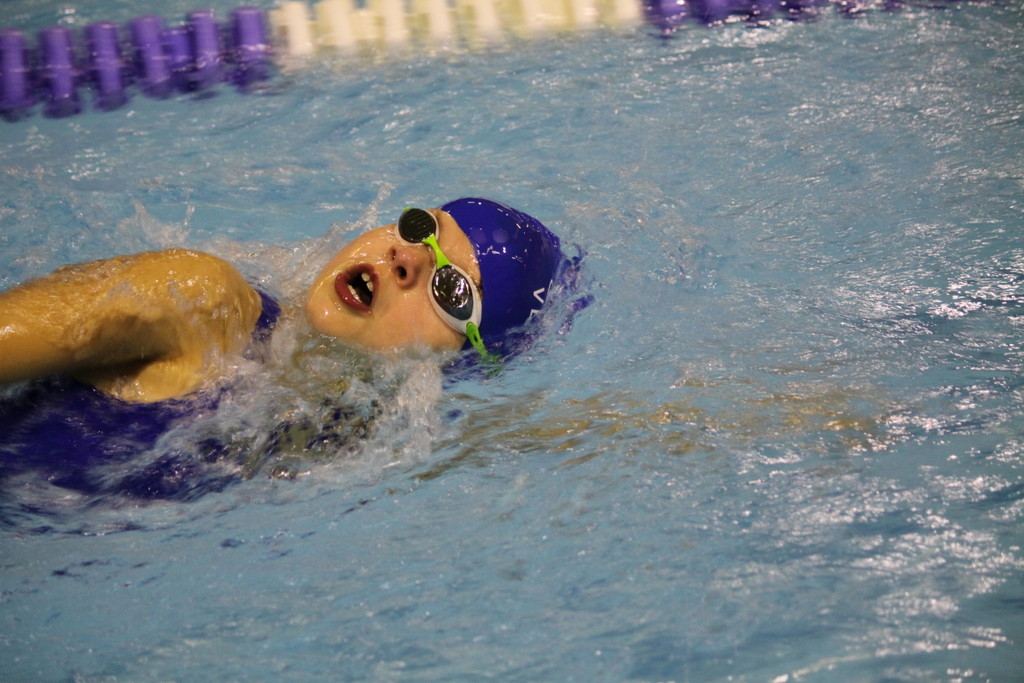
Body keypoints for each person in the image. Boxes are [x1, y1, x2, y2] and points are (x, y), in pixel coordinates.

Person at [0, 197, 569, 499]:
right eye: (423, 228)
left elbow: (522, 435)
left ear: (451, 364)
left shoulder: (358, 433)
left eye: (451, 290)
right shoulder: (198, 302)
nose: (407, 257)